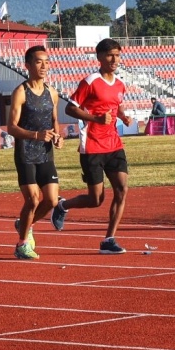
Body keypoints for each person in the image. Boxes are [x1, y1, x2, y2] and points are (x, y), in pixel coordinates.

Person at [51, 38, 133, 255]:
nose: (114, 59)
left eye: (117, 54)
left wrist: (123, 117)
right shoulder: (90, 81)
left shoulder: (120, 83)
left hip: (114, 143)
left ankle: (109, 239)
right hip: (93, 145)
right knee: (95, 199)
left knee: (122, 189)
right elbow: (70, 109)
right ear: (99, 58)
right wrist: (95, 119)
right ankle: (62, 206)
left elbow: (117, 104)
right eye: (109, 55)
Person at [6, 45, 63, 260]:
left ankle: (24, 224)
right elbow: (11, 127)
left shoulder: (52, 93)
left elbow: (55, 120)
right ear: (28, 65)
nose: (44, 66)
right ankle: (22, 244)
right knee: (32, 200)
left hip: (46, 153)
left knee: (51, 200)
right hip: (26, 153)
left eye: (46, 62)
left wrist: (58, 137)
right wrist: (35, 135)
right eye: (39, 62)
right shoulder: (21, 92)